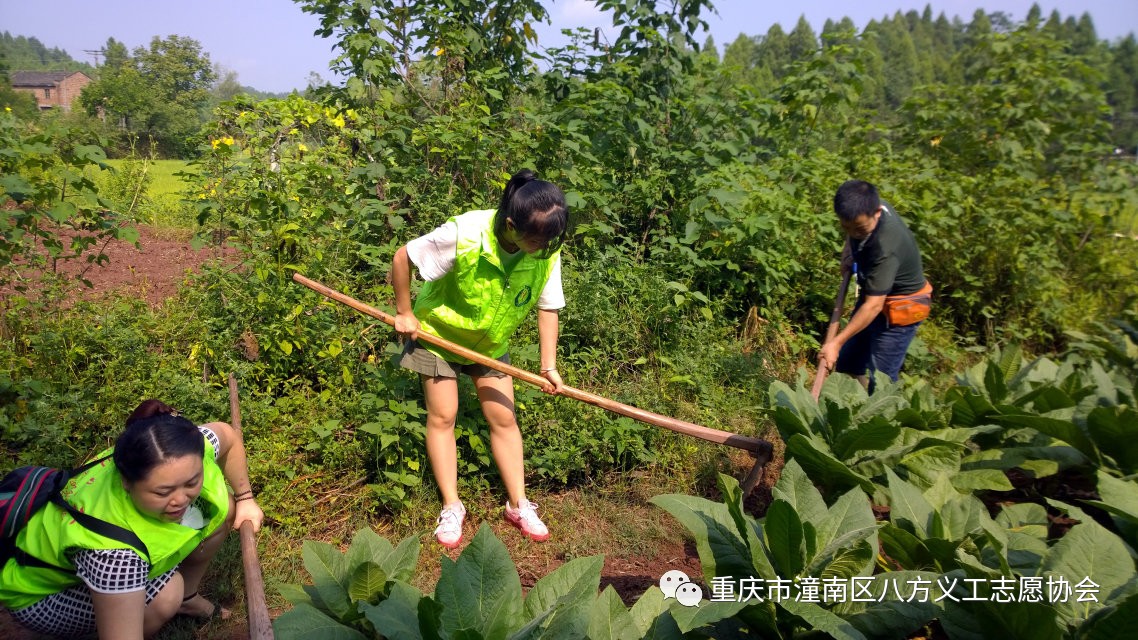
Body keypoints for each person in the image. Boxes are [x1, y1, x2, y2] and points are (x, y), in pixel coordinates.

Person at [392, 169, 568, 549]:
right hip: (436, 336)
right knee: (444, 415)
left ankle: (519, 503)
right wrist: (404, 312)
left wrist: (548, 366)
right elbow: (403, 256)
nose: (544, 246)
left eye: (550, 239)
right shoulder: (466, 233)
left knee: (504, 417)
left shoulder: (546, 247)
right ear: (510, 225)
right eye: (537, 239)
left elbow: (548, 306)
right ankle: (452, 505)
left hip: (489, 342)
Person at [0, 399, 264, 639]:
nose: (181, 499)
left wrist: (245, 498)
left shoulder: (174, 451)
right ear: (127, 482)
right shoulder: (114, 556)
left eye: (192, 482)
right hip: (41, 596)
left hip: (90, 558)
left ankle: (188, 597)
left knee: (220, 506)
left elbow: (227, 434)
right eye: (163, 491)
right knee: (166, 594)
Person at [817, 180, 931, 393]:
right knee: (848, 364)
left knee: (882, 382)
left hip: (900, 309)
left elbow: (873, 306)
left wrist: (835, 343)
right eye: (845, 227)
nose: (853, 233)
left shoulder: (886, 248)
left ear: (877, 213)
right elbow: (854, 228)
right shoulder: (865, 206)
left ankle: (885, 418)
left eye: (859, 229)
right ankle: (863, 410)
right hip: (875, 293)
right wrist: (849, 250)